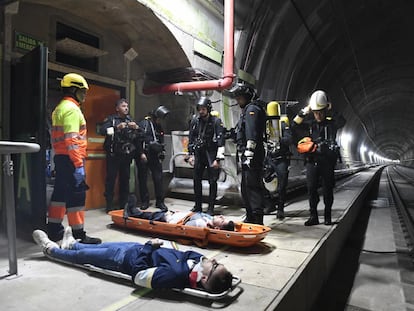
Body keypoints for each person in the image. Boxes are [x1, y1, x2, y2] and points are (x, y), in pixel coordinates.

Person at [32, 228, 233, 294]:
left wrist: (147, 248)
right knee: (91, 248)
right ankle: (71, 244)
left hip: (123, 260)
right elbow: (188, 253)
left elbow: (138, 276)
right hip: (133, 249)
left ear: (204, 279)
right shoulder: (194, 265)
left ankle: (51, 250)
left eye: (214, 265)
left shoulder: (175, 275)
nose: (212, 260)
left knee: (81, 259)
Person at [47, 73, 101, 244]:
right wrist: (78, 165)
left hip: (62, 159)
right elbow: (72, 140)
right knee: (76, 197)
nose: (85, 95)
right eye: (82, 91)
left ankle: (54, 230)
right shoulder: (71, 109)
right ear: (73, 90)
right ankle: (79, 235)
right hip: (71, 160)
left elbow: (58, 139)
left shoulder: (59, 108)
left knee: (60, 195)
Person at [292, 90, 346, 226]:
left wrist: (330, 109)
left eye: (320, 112)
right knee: (311, 189)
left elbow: (342, 121)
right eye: (316, 112)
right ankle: (313, 216)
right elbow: (295, 125)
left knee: (328, 190)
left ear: (325, 110)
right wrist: (305, 111)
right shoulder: (311, 124)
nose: (318, 115)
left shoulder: (331, 123)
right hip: (312, 161)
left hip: (327, 162)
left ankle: (327, 216)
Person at [229, 83, 267, 225]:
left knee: (253, 186)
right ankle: (250, 215)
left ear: (247, 96)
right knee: (246, 187)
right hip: (247, 154)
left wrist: (249, 153)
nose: (238, 100)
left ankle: (257, 218)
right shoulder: (247, 110)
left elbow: (252, 132)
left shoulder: (252, 109)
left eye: (239, 98)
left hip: (253, 155)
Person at [100, 98, 141, 213]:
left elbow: (140, 135)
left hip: (126, 155)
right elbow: (102, 131)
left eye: (127, 106)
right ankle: (109, 205)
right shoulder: (112, 119)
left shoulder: (130, 120)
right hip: (114, 155)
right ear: (117, 108)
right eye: (123, 106)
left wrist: (136, 128)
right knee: (111, 180)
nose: (126, 108)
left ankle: (123, 205)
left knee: (125, 180)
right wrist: (116, 128)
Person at [187, 97, 225, 215]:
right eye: (199, 109)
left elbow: (221, 141)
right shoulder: (195, 121)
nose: (201, 111)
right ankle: (197, 206)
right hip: (199, 154)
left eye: (203, 109)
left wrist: (218, 159)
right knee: (196, 180)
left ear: (208, 109)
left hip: (211, 154)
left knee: (212, 182)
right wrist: (191, 154)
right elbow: (191, 138)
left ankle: (211, 207)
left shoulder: (216, 122)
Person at [124, 195, 235, 231]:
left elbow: (183, 227)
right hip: (174, 214)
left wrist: (170, 217)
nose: (221, 216)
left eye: (222, 220)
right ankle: (135, 211)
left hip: (169, 219)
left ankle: (133, 213)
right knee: (153, 214)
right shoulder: (208, 219)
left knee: (150, 216)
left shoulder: (202, 224)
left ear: (217, 229)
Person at [136, 106, 170, 212]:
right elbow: (138, 139)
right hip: (144, 155)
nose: (160, 120)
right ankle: (144, 202)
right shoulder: (144, 124)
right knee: (143, 179)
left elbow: (161, 140)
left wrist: (162, 152)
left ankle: (160, 202)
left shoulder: (158, 126)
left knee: (158, 179)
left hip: (155, 156)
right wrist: (141, 153)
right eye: (159, 118)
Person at [263, 102, 292, 220]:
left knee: (282, 184)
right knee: (263, 180)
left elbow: (289, 139)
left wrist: (279, 139)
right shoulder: (266, 124)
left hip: (281, 158)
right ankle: (269, 204)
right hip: (269, 157)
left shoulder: (283, 123)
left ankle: (280, 208)